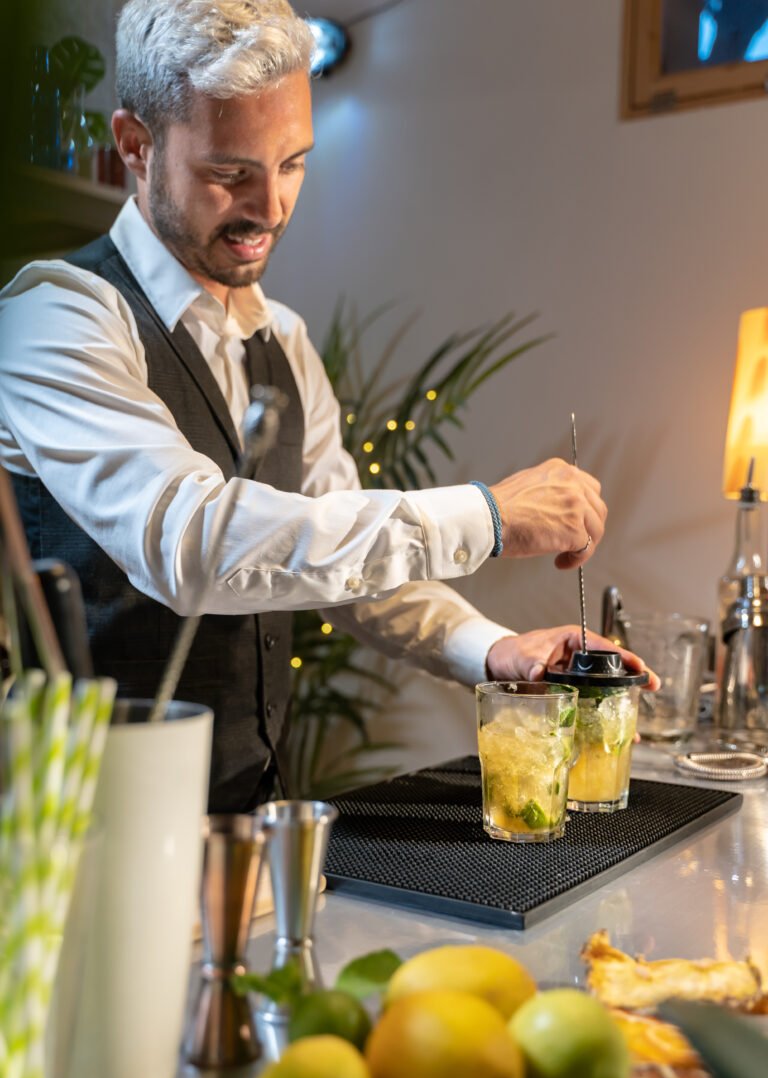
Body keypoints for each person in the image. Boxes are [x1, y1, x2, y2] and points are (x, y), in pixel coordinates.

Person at [0, 0, 654, 812]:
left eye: (294, 164)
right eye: (230, 172)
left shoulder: (284, 339)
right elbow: (191, 545)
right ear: (136, 145)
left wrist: (495, 649)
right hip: (82, 832)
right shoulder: (56, 316)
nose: (271, 208)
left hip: (252, 820)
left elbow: (342, 563)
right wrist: (485, 517)